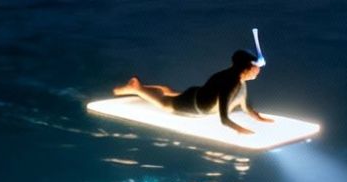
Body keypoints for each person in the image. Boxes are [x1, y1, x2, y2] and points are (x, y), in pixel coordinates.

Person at [115, 49, 275, 135]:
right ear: (246, 68)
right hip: (193, 103)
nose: (258, 71)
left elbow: (245, 107)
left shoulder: (239, 82)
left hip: (196, 95)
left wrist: (259, 118)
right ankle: (137, 88)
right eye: (256, 68)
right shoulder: (230, 83)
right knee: (165, 105)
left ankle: (165, 90)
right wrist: (240, 130)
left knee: (173, 95)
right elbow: (224, 119)